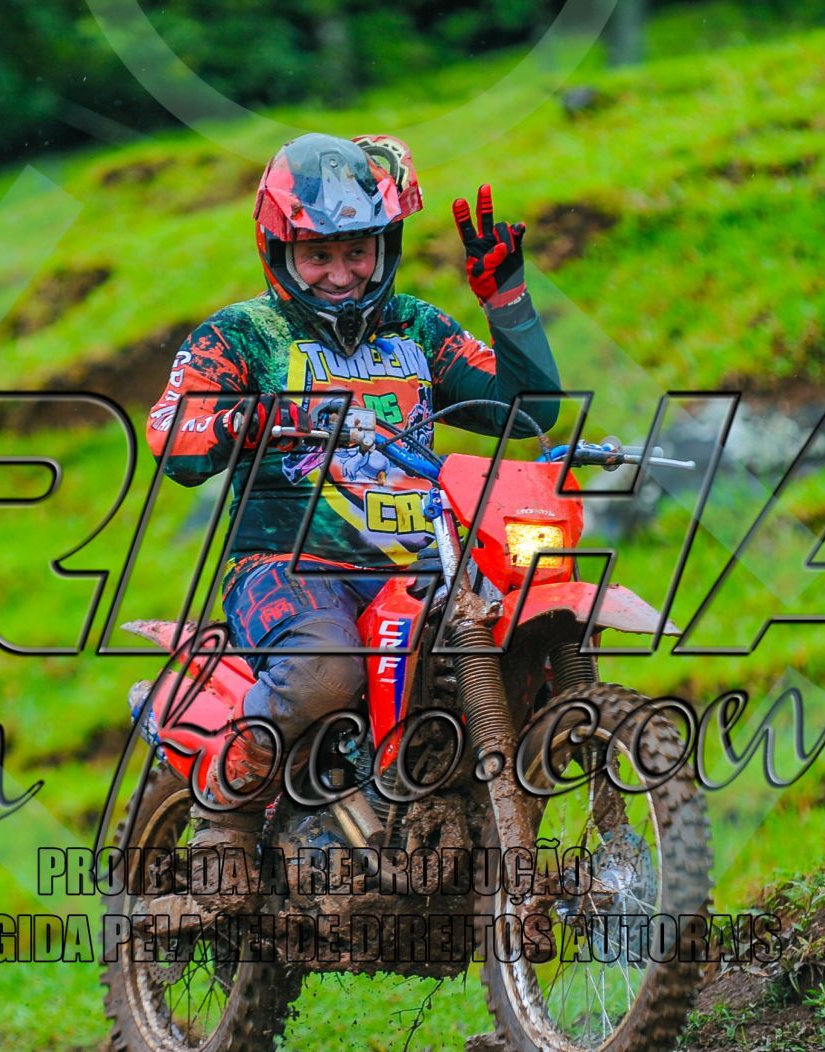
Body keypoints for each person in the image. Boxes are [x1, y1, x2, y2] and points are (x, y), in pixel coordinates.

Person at [143, 132, 561, 874]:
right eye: (318, 255)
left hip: (420, 567)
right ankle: (222, 822)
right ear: (280, 252)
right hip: (284, 565)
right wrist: (255, 418)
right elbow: (173, 434)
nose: (341, 275)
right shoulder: (242, 335)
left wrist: (509, 303)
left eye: (358, 251)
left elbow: (527, 410)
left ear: (385, 246)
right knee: (326, 669)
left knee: (521, 633)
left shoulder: (417, 327)